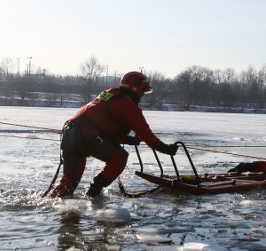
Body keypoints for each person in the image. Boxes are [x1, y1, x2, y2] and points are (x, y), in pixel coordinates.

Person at [49, 71, 179, 198]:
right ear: (137, 89)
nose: (142, 96)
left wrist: (127, 140)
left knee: (68, 183)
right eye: (143, 92)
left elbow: (102, 126)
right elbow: (148, 137)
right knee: (120, 157)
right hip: (86, 137)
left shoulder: (109, 94)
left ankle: (51, 206)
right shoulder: (129, 107)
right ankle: (95, 191)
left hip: (70, 135)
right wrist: (167, 149)